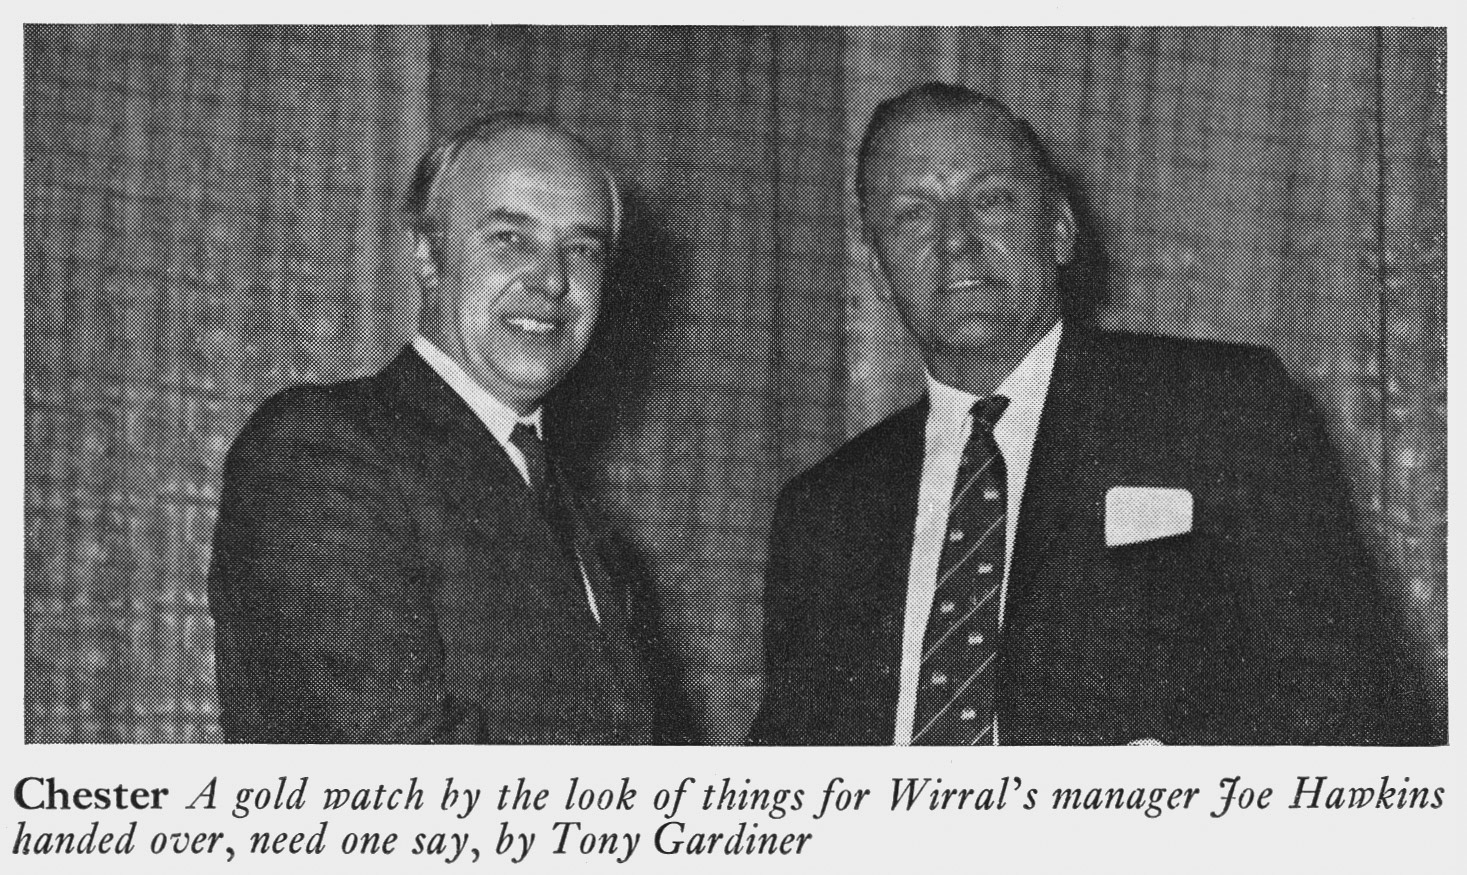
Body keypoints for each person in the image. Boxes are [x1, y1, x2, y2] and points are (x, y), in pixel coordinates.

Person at [750, 83, 1424, 746]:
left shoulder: (1220, 408)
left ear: (1061, 229)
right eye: (913, 214)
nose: (955, 241)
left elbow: (1354, 707)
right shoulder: (824, 512)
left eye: (989, 199)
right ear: (875, 268)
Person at [208, 114, 686, 744]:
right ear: (428, 257)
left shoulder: (588, 531)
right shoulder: (322, 455)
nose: (551, 281)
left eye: (582, 250)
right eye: (510, 240)